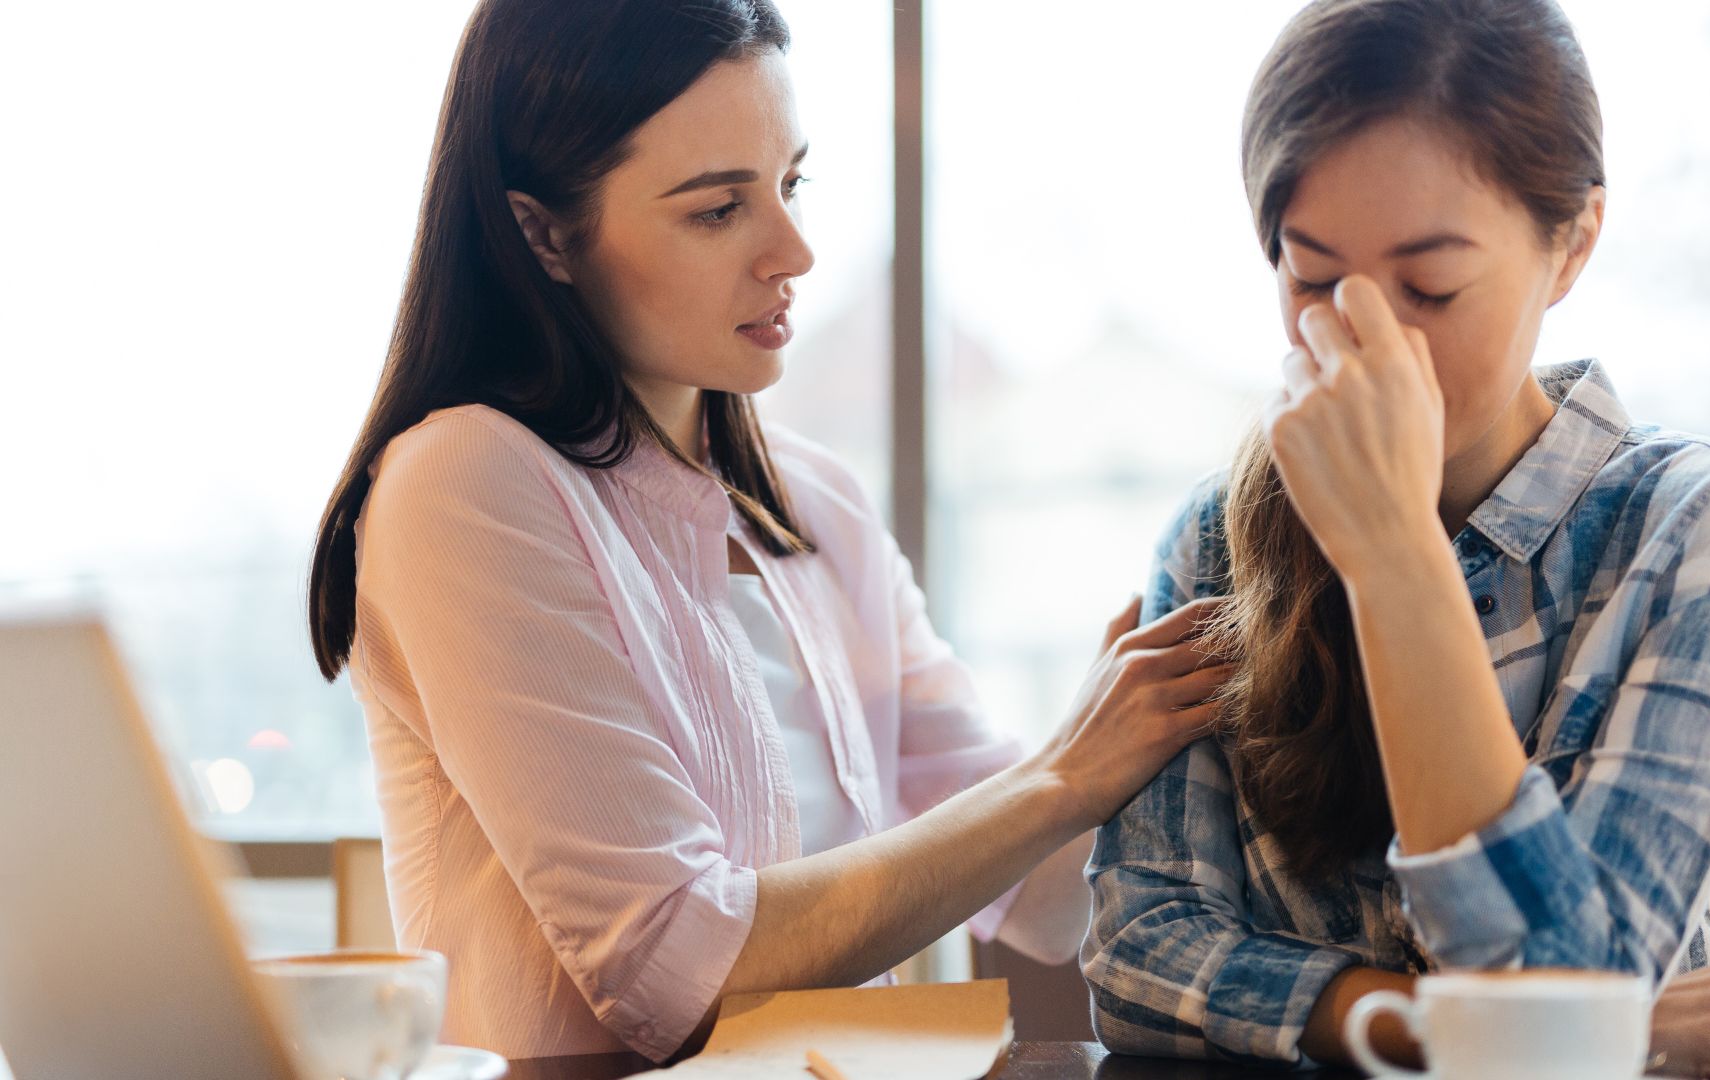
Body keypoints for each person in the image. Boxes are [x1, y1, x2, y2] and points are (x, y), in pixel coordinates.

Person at [304, 0, 1228, 1062]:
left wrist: (1169, 698)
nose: (793, 250)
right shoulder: (466, 479)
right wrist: (1063, 774)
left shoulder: (818, 504)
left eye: (790, 186)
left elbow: (1046, 900)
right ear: (543, 235)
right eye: (716, 211)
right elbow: (671, 968)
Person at [1081, 2, 1710, 1078]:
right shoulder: (1215, 540)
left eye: (1430, 286)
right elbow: (1139, 956)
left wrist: (1394, 554)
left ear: (1573, 242)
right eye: (1310, 277)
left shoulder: (1706, 526)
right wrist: (1442, 1021)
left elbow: (1560, 1018)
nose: (1364, 338)